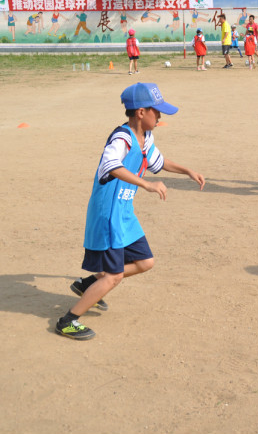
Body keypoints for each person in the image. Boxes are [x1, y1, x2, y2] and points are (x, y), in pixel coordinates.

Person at [56, 83, 205, 340]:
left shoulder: (146, 139)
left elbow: (160, 162)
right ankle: (68, 320)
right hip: (109, 213)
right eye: (156, 112)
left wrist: (187, 170)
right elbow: (111, 165)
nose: (159, 117)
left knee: (146, 262)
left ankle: (88, 284)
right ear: (140, 113)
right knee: (114, 276)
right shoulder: (122, 138)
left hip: (125, 212)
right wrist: (146, 183)